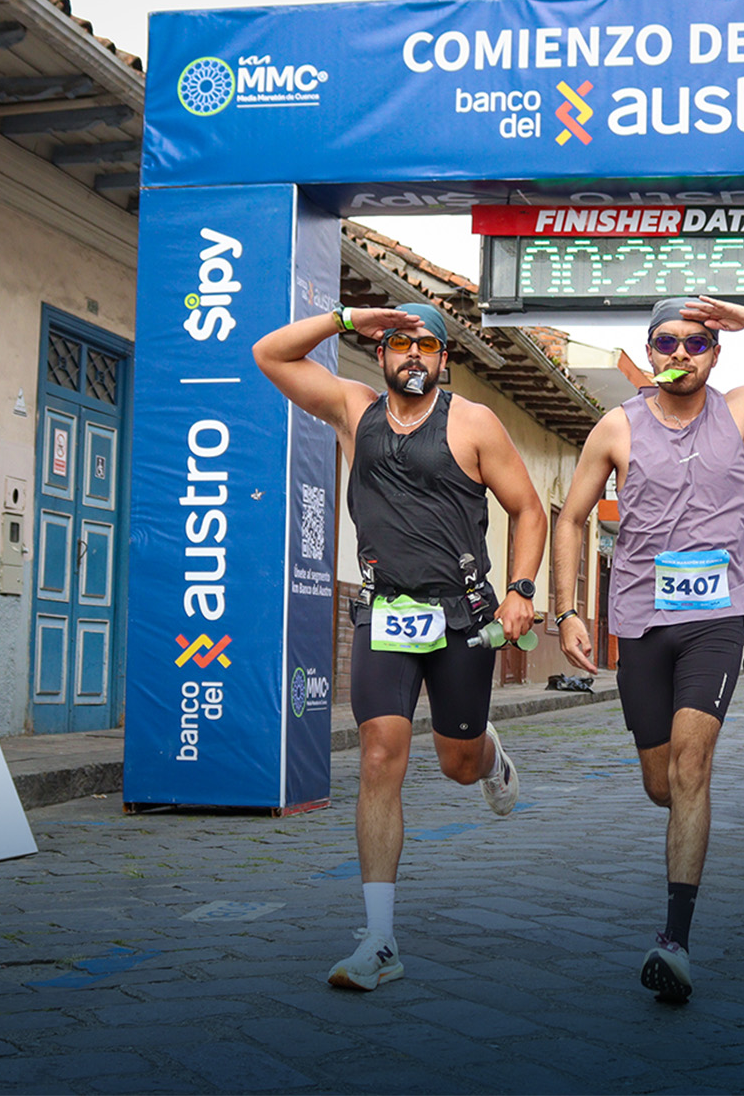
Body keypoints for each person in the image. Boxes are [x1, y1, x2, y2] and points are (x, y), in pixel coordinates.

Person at [552, 295, 744, 1003]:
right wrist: (565, 609)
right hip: (641, 621)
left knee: (692, 766)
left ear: (715, 354)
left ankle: (674, 941)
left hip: (718, 619)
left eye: (695, 343)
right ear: (648, 352)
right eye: (666, 342)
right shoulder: (616, 427)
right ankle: (682, 826)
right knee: (662, 784)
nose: (680, 353)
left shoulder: (743, 410)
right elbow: (572, 517)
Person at [253, 300, 546, 991]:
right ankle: (380, 938)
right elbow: (270, 354)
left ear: (444, 359)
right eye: (399, 342)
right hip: (384, 611)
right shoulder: (354, 410)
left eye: (426, 345)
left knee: (456, 763)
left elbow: (529, 508)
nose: (413, 353)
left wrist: (521, 589)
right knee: (380, 755)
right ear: (380, 353)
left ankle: (488, 753)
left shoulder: (472, 422)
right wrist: (345, 318)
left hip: (462, 615)